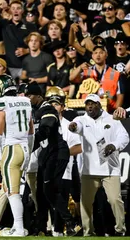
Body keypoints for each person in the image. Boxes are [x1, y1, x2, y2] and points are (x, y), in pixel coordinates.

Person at [68, 93, 129, 236]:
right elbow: (77, 126)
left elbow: (124, 137)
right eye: (87, 103)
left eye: (93, 103)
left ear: (99, 105)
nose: (89, 106)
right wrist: (73, 127)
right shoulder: (81, 119)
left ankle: (120, 230)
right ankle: (88, 231)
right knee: (86, 203)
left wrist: (114, 145)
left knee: (115, 200)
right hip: (89, 170)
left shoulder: (112, 119)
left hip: (110, 169)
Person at [25, 81, 79, 236]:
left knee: (49, 189)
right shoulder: (35, 111)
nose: (28, 98)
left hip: (57, 152)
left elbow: (46, 129)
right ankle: (41, 228)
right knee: (42, 193)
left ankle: (70, 222)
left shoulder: (47, 108)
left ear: (37, 96)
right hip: (47, 154)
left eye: (30, 95)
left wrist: (28, 148)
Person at [0, 74, 34, 236]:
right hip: (24, 148)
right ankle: (17, 225)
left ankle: (19, 228)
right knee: (10, 189)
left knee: (12, 192)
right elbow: (31, 131)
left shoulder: (2, 102)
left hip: (12, 149)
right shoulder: (26, 101)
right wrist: (28, 152)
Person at [46, 87, 82, 236]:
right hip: (48, 167)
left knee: (59, 197)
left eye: (57, 104)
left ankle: (59, 230)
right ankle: (61, 226)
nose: (54, 107)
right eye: (51, 104)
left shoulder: (69, 125)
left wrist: (61, 154)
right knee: (51, 197)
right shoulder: (45, 123)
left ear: (62, 107)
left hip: (64, 169)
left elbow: (79, 147)